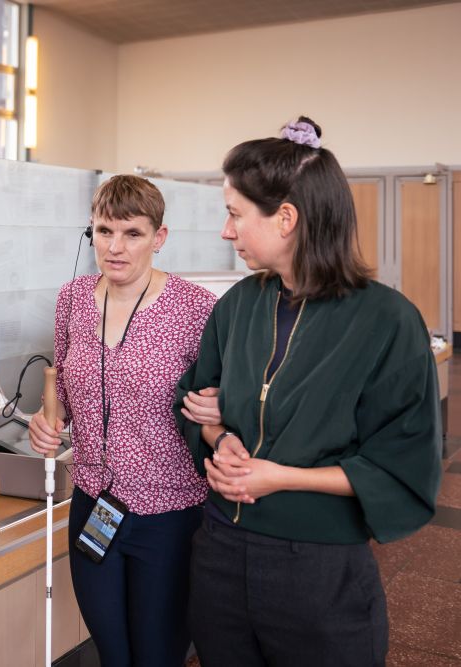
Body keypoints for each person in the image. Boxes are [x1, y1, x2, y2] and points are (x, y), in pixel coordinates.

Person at [175, 117, 443, 667]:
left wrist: (278, 477)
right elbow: (197, 401)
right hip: (221, 552)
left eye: (234, 214)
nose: (227, 232)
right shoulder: (237, 306)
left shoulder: (387, 321)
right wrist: (219, 435)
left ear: (287, 219)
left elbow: (403, 460)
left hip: (318, 567)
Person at [29, 174, 217, 666]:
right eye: (103, 231)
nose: (115, 247)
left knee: (157, 655)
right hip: (93, 504)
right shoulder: (72, 298)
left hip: (170, 513)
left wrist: (220, 411)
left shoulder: (195, 308)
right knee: (113, 654)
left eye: (132, 233)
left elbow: (221, 405)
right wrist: (46, 421)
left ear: (159, 237)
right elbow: (66, 389)